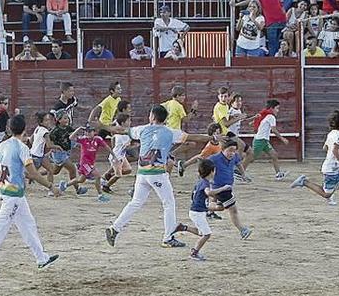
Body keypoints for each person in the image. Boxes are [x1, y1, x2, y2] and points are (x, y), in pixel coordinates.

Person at [0, 114, 60, 277]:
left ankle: (41, 258)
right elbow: (33, 174)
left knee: (28, 225)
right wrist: (50, 186)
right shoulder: (22, 148)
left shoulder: (4, 145)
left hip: (12, 194)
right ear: (24, 130)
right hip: (13, 197)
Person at [105, 104, 190, 249]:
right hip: (157, 174)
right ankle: (168, 237)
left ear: (152, 117)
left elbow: (121, 130)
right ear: (165, 118)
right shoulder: (170, 132)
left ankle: (115, 228)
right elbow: (193, 137)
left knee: (136, 202)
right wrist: (213, 137)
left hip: (142, 173)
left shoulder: (142, 129)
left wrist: (101, 125)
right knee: (168, 203)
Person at [290, 110, 339, 227]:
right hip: (332, 170)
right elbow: (335, 151)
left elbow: (325, 147)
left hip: (335, 169)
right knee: (327, 194)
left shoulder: (331, 133)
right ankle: (304, 182)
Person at [206, 139, 254, 238]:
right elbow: (204, 167)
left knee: (221, 207)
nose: (232, 153)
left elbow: (238, 164)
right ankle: (242, 230)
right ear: (223, 149)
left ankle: (206, 207)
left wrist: (243, 174)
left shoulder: (235, 156)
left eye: (234, 150)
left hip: (228, 187)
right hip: (220, 188)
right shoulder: (214, 159)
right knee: (233, 209)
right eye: (230, 150)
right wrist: (206, 182)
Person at [185, 160, 227, 261]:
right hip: (197, 212)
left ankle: (182, 227)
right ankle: (194, 253)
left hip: (195, 210)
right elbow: (209, 192)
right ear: (212, 171)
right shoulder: (205, 184)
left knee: (201, 232)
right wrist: (223, 189)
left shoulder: (200, 182)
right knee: (206, 234)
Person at [241, 99, 289, 180]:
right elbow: (274, 130)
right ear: (272, 108)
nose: (278, 110)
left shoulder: (265, 114)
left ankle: (278, 174)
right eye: (277, 108)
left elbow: (256, 121)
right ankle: (239, 172)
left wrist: (252, 122)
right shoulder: (271, 117)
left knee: (274, 155)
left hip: (263, 140)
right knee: (250, 157)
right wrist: (282, 139)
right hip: (260, 140)